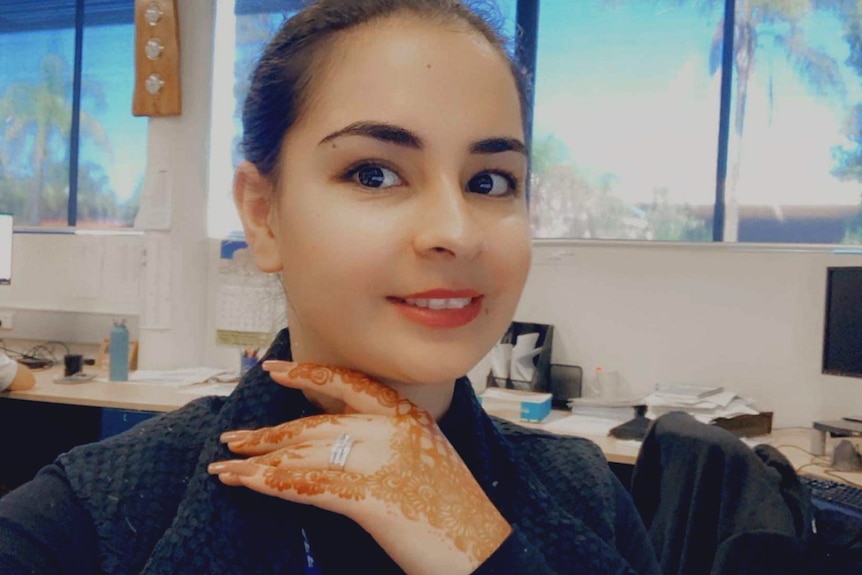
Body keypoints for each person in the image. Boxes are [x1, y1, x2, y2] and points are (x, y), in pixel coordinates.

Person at [0, 1, 659, 573]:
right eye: (374, 173)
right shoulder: (93, 517)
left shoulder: (586, 496)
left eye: (490, 180)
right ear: (263, 214)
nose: (456, 231)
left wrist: (478, 546)